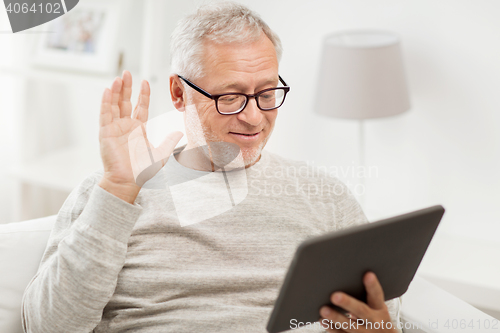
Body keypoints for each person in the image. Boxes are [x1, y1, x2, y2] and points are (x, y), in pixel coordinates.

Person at [22, 2, 401, 333]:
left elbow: (384, 313)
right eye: (231, 97)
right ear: (178, 93)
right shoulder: (108, 193)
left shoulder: (326, 197)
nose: (254, 117)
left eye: (267, 94)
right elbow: (49, 326)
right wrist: (120, 188)